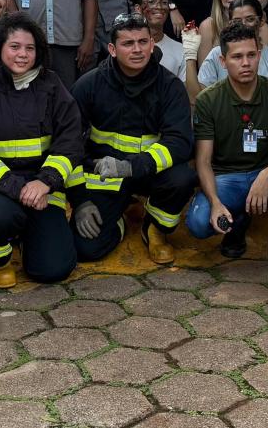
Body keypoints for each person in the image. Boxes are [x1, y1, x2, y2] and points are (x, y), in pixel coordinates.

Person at [0, 13, 82, 286]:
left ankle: (26, 237)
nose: (22, 54)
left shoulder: (52, 85)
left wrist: (47, 181)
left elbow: (69, 140)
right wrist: (19, 189)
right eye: (15, 47)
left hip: (39, 184)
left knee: (53, 270)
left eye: (30, 48)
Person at [185, 20, 268, 275]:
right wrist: (216, 202)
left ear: (259, 56)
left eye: (251, 55)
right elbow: (204, 162)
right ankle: (237, 220)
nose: (245, 63)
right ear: (222, 61)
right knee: (198, 223)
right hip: (228, 179)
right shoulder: (209, 100)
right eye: (237, 57)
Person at [69, 13, 193, 264]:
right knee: (86, 250)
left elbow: (179, 143)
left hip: (148, 173)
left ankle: (155, 228)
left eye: (143, 42)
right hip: (103, 177)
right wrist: (80, 201)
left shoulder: (169, 87)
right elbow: (69, 146)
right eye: (128, 43)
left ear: (152, 44)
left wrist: (131, 167)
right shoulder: (88, 86)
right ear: (112, 49)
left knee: (183, 177)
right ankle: (120, 217)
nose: (137, 50)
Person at [193, 0, 268, 95]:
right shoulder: (216, 54)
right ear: (230, 23)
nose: (243, 25)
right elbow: (200, 97)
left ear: (262, 20)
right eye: (237, 21)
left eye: (250, 19)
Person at [132, 0, 185, 81]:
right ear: (138, 9)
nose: (159, 7)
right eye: (151, 2)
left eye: (164, 2)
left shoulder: (180, 49)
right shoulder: (127, 46)